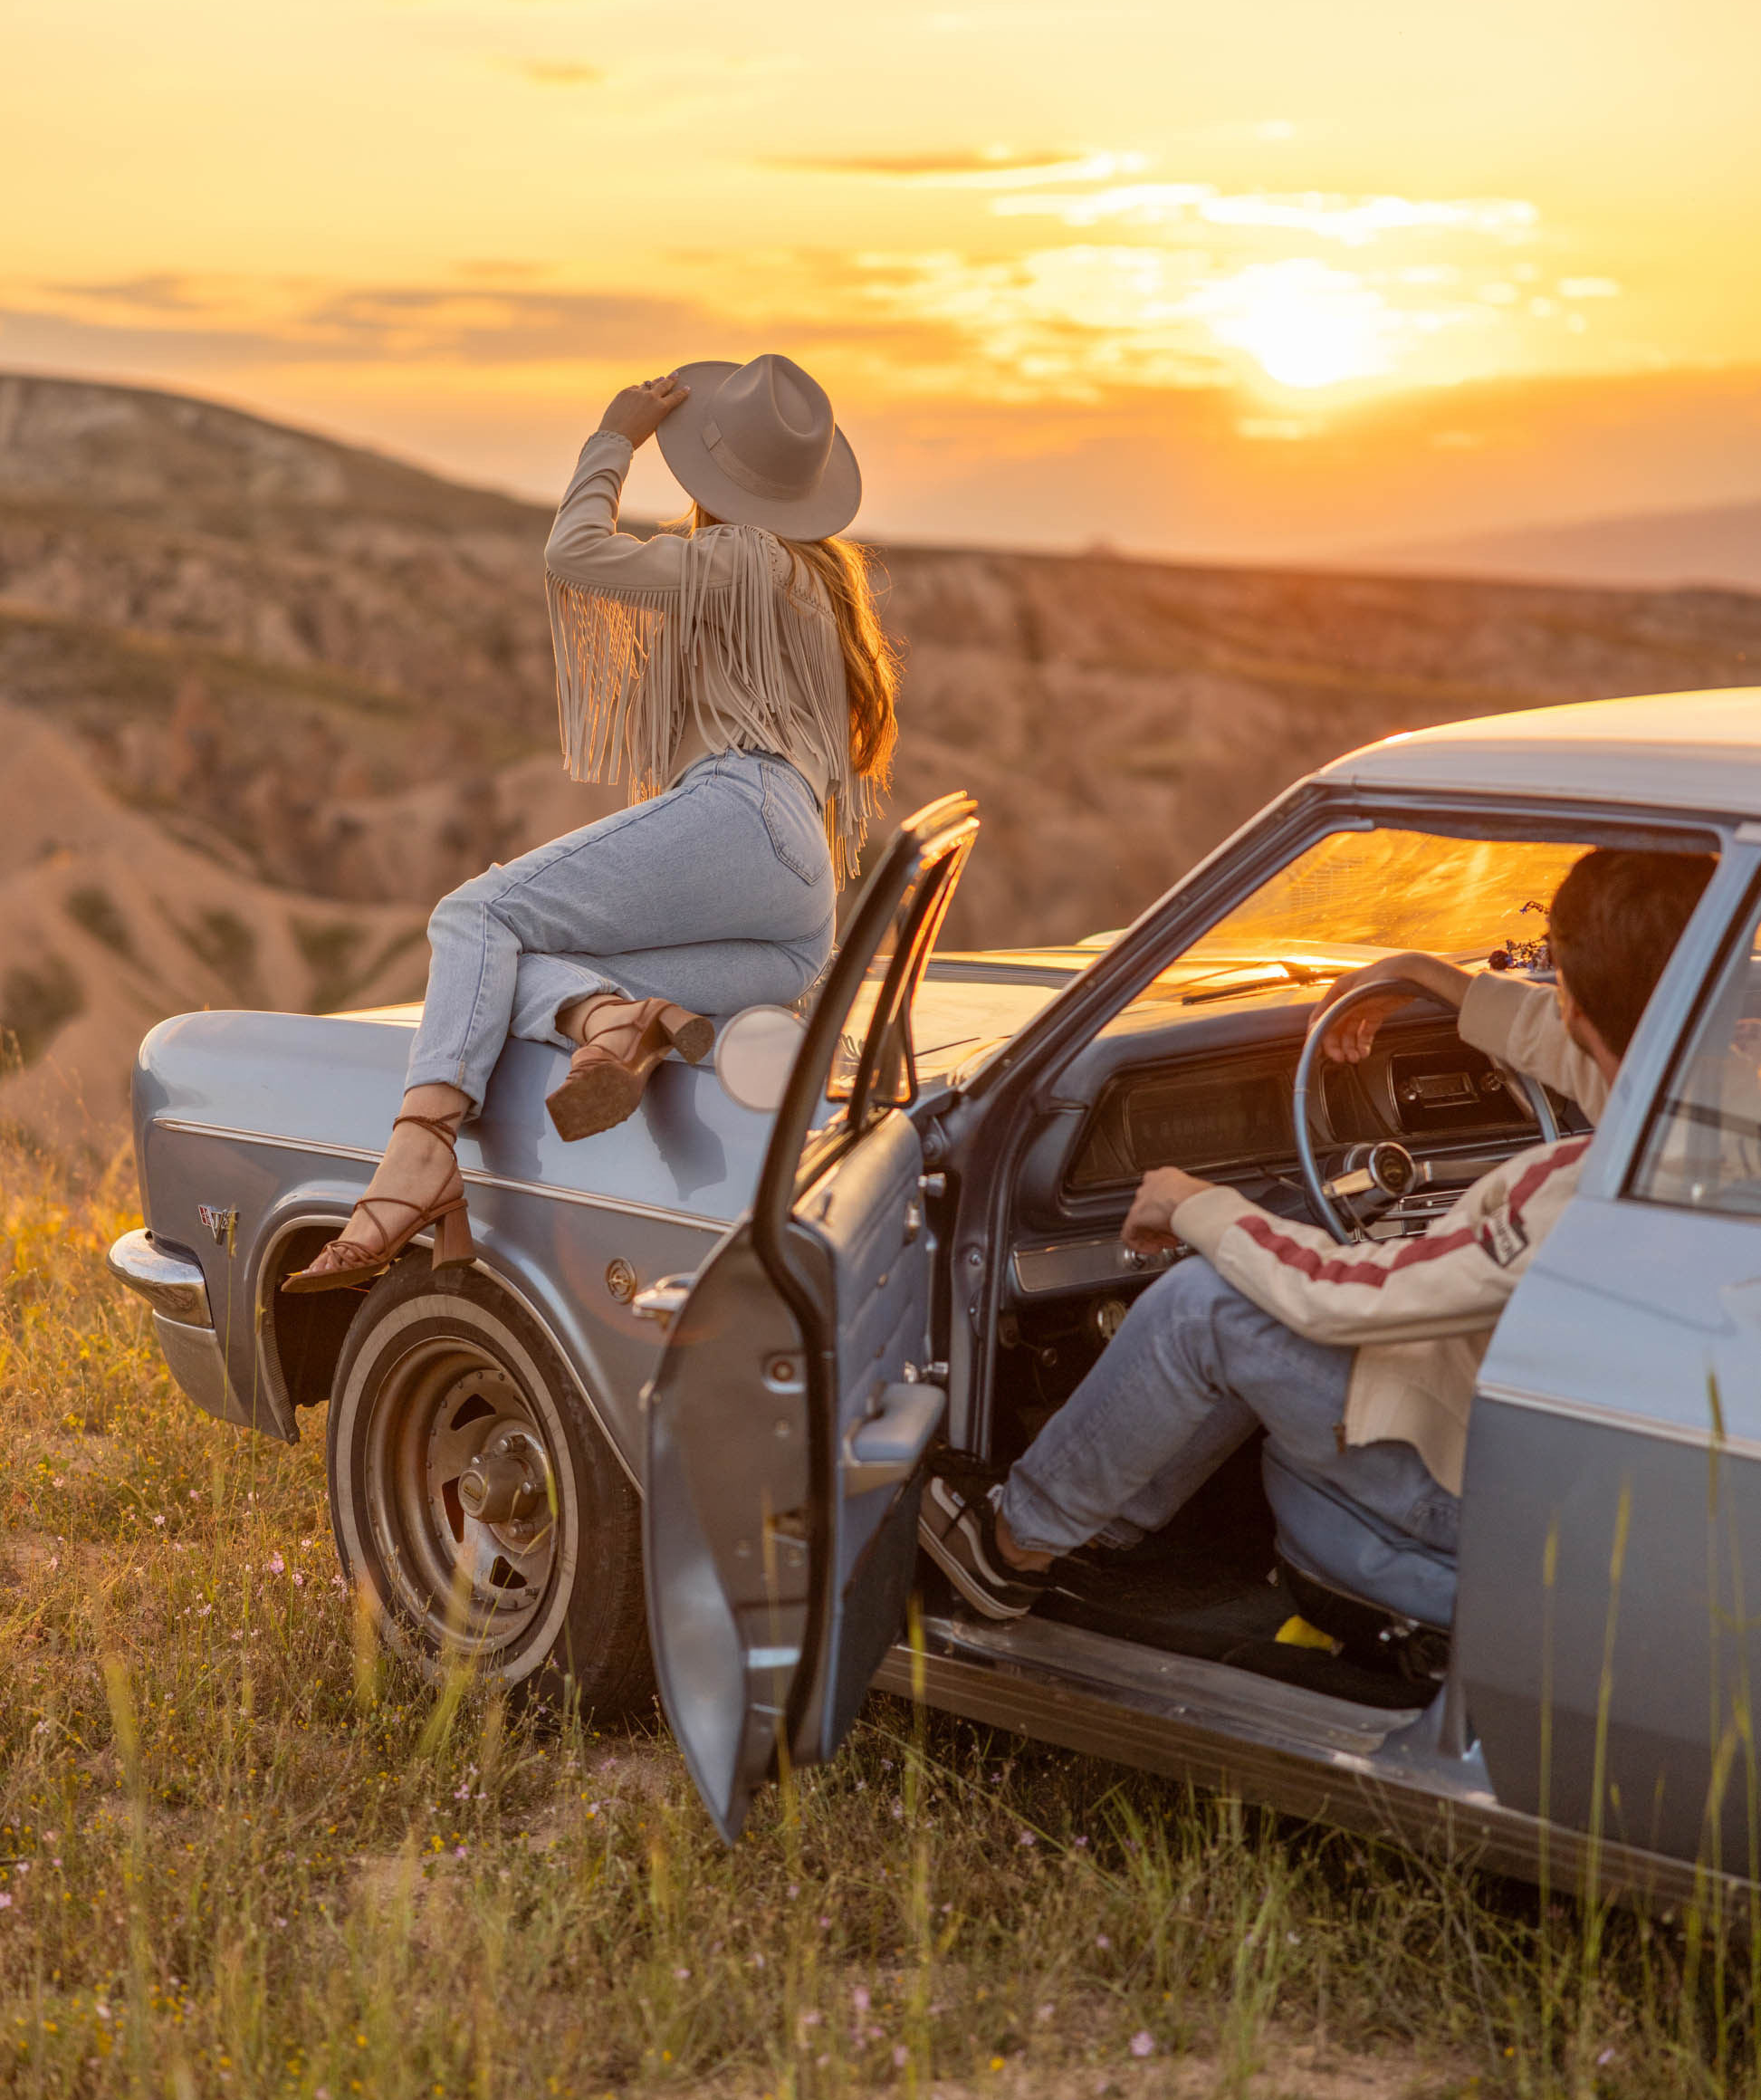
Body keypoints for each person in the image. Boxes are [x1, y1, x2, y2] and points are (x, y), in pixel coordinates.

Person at [918, 849, 1716, 1621]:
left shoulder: (1592, 1191)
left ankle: (1007, 1549)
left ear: (1573, 999)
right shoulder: (1715, 1097)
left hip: (1481, 1497)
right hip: (1620, 1476)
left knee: (1209, 1300)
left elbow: (1344, 1299)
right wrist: (1416, 974)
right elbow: (1602, 1053)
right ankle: (1105, 1525)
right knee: (1261, 1261)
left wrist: (1193, 1201)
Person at [286, 355, 897, 1296]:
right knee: (514, 967)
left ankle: (419, 1153)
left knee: (473, 915)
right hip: (797, 917)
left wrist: (616, 436)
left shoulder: (741, 558)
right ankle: (618, 1020)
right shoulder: (816, 579)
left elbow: (572, 551)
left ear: (714, 472)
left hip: (742, 811)